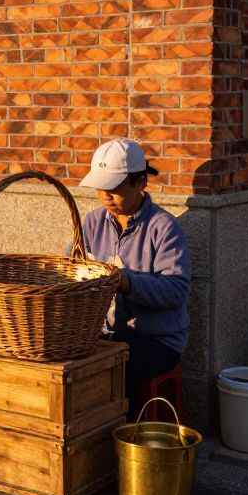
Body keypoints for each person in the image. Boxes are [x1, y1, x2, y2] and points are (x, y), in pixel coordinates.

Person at [78, 139, 191, 412]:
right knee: (71, 364)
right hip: (106, 332)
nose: (106, 196)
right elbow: (72, 266)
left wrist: (125, 282)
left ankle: (124, 443)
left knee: (113, 368)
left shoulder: (164, 227)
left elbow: (177, 291)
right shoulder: (93, 222)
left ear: (141, 183)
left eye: (114, 189)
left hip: (157, 340)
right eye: (101, 188)